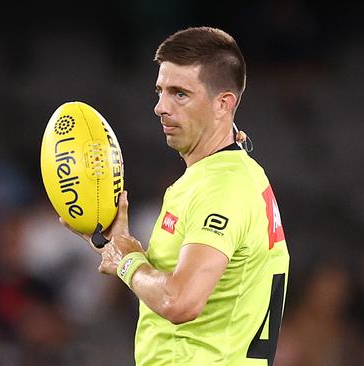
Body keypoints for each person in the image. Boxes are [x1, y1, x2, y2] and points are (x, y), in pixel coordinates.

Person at [61, 26, 290, 365]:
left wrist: (128, 262)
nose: (160, 107)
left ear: (223, 104)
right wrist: (117, 244)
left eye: (179, 94)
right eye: (160, 91)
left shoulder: (221, 188)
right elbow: (172, 285)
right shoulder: (223, 177)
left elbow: (180, 301)